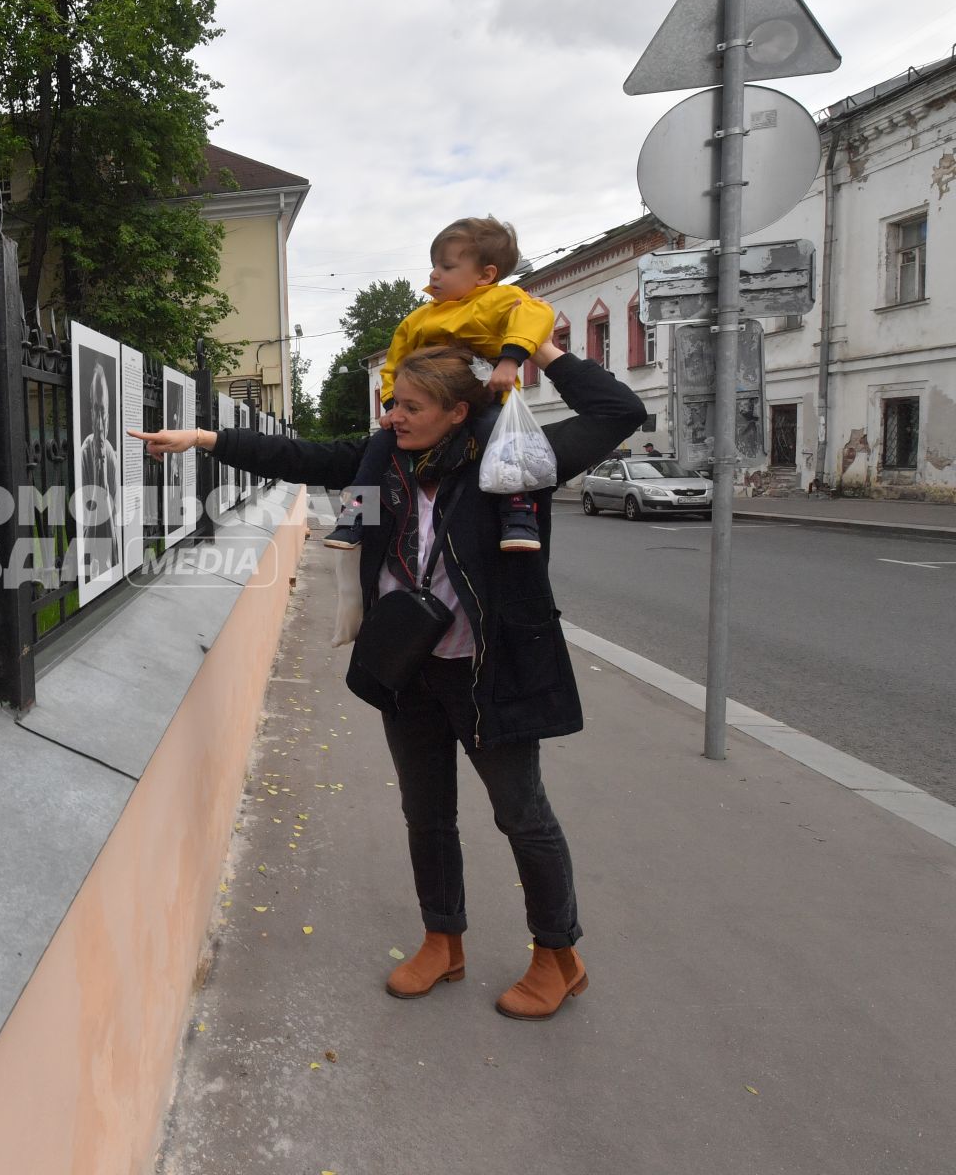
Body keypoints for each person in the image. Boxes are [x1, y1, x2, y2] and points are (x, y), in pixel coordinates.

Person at [133, 338, 645, 1021]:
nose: (392, 416)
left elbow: (619, 410)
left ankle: (558, 955)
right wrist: (201, 436)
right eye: (389, 402)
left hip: (489, 671)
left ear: (458, 411)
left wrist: (540, 344)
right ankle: (442, 940)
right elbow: (300, 455)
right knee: (425, 812)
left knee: (521, 814)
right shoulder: (383, 459)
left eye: (409, 406)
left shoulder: (513, 457)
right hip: (408, 667)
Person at [326, 217, 555, 554]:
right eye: (434, 265)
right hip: (432, 406)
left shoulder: (502, 300)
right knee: (379, 446)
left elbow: (536, 316)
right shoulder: (418, 319)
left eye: (446, 266)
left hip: (487, 399)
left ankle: (517, 512)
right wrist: (395, 408)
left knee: (504, 440)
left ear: (485, 275)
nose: (434, 274)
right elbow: (394, 365)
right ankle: (355, 517)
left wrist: (511, 360)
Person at [78, 360, 121, 575]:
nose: (99, 420)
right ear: (91, 412)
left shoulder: (111, 453)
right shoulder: (85, 450)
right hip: (91, 550)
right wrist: (99, 480)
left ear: (108, 415)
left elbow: (114, 513)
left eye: (103, 410)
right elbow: (86, 517)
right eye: (95, 409)